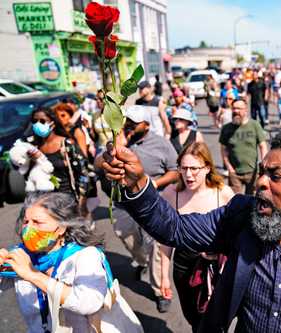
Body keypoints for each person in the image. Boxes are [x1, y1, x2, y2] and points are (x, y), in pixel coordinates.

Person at [99, 130, 281, 333]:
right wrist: (137, 184)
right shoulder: (241, 215)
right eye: (262, 172)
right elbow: (175, 228)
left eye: (276, 176)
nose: (261, 183)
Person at [0, 192, 135, 332]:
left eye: (37, 222)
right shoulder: (21, 257)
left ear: (61, 228)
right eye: (26, 222)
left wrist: (33, 274)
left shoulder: (85, 255)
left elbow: (89, 302)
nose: (28, 229)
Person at [104, 106, 179, 313]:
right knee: (126, 237)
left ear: (146, 125)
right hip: (122, 205)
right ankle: (140, 260)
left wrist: (155, 183)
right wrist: (117, 148)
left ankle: (159, 290)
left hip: (150, 205)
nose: (128, 125)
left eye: (133, 123)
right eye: (126, 121)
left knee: (156, 247)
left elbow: (175, 171)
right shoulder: (117, 141)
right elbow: (97, 162)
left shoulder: (162, 144)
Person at [159, 142, 234, 332]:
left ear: (207, 168)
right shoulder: (171, 194)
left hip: (215, 267)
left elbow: (238, 235)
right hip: (184, 267)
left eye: (194, 168)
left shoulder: (223, 194)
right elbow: (166, 239)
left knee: (214, 320)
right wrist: (163, 276)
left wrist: (220, 254)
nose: (188, 175)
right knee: (193, 317)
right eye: (183, 168)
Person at [25, 108, 94, 215]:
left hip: (68, 201)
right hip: (46, 202)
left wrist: (82, 202)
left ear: (52, 122)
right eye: (35, 121)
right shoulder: (35, 147)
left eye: (42, 121)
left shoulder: (66, 144)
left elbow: (83, 173)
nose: (38, 124)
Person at [219, 99, 268, 195]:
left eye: (239, 108)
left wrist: (263, 165)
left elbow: (263, 145)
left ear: (245, 110)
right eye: (234, 108)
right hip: (235, 173)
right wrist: (229, 168)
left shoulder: (254, 125)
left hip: (253, 172)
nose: (236, 111)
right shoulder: (226, 128)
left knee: (252, 201)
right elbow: (223, 149)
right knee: (235, 202)